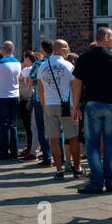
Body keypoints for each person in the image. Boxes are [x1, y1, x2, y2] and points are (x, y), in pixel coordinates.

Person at [71, 27, 112, 194]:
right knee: (110, 145)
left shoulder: (85, 57)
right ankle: (111, 181)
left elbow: (77, 84)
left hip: (92, 105)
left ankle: (96, 182)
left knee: (92, 145)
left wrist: (76, 106)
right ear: (105, 37)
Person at [38, 38, 81, 180]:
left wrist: (45, 106)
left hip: (50, 105)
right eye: (67, 49)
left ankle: (58, 170)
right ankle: (77, 168)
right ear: (61, 50)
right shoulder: (68, 66)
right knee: (73, 137)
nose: (68, 51)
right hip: (66, 105)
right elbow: (75, 88)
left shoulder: (43, 66)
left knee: (54, 139)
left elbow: (40, 90)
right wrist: (76, 107)